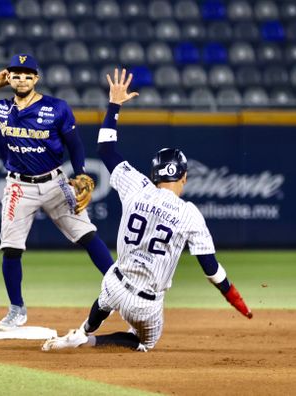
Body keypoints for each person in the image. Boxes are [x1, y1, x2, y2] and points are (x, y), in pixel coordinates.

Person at [42, 69, 252, 352]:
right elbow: (212, 271)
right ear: (184, 177)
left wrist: (114, 104)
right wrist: (237, 301)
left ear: (155, 174)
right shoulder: (189, 213)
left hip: (114, 283)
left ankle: (82, 330)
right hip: (145, 304)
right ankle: (87, 340)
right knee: (144, 342)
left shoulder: (137, 185)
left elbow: (105, 149)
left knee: (107, 296)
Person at [0, 54, 113, 330]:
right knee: (11, 249)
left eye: (28, 74)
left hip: (55, 182)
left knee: (87, 234)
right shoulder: (0, 110)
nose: (22, 79)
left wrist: (82, 174)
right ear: (10, 78)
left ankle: (118, 289)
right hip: (19, 185)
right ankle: (17, 309)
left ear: (36, 78)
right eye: (16, 74)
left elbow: (74, 144)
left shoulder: (57, 108)